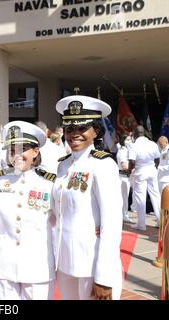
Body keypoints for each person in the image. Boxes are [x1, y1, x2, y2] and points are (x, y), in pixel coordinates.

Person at [52, 95, 123, 300]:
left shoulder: (102, 164)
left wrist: (104, 277)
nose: (75, 134)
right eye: (69, 129)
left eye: (82, 128)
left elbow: (112, 222)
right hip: (65, 263)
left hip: (91, 264)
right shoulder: (63, 165)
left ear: (95, 131)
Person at [0, 121, 56, 300]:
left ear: (35, 151)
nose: (17, 155)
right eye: (12, 150)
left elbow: (63, 219)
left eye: (22, 149)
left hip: (37, 267)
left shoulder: (49, 183)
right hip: (3, 265)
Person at [128, 126, 161, 231]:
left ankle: (141, 225)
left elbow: (132, 161)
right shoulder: (152, 143)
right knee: (155, 196)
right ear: (144, 133)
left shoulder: (134, 145)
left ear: (135, 134)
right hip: (152, 170)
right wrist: (154, 167)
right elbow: (157, 159)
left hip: (141, 171)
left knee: (140, 198)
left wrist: (129, 171)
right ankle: (160, 221)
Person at [117, 134, 132, 222]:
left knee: (124, 198)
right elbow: (124, 166)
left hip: (126, 177)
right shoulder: (123, 151)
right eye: (128, 139)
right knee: (123, 198)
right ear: (124, 141)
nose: (130, 141)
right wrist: (134, 168)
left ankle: (124, 214)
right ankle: (123, 215)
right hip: (123, 177)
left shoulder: (126, 150)